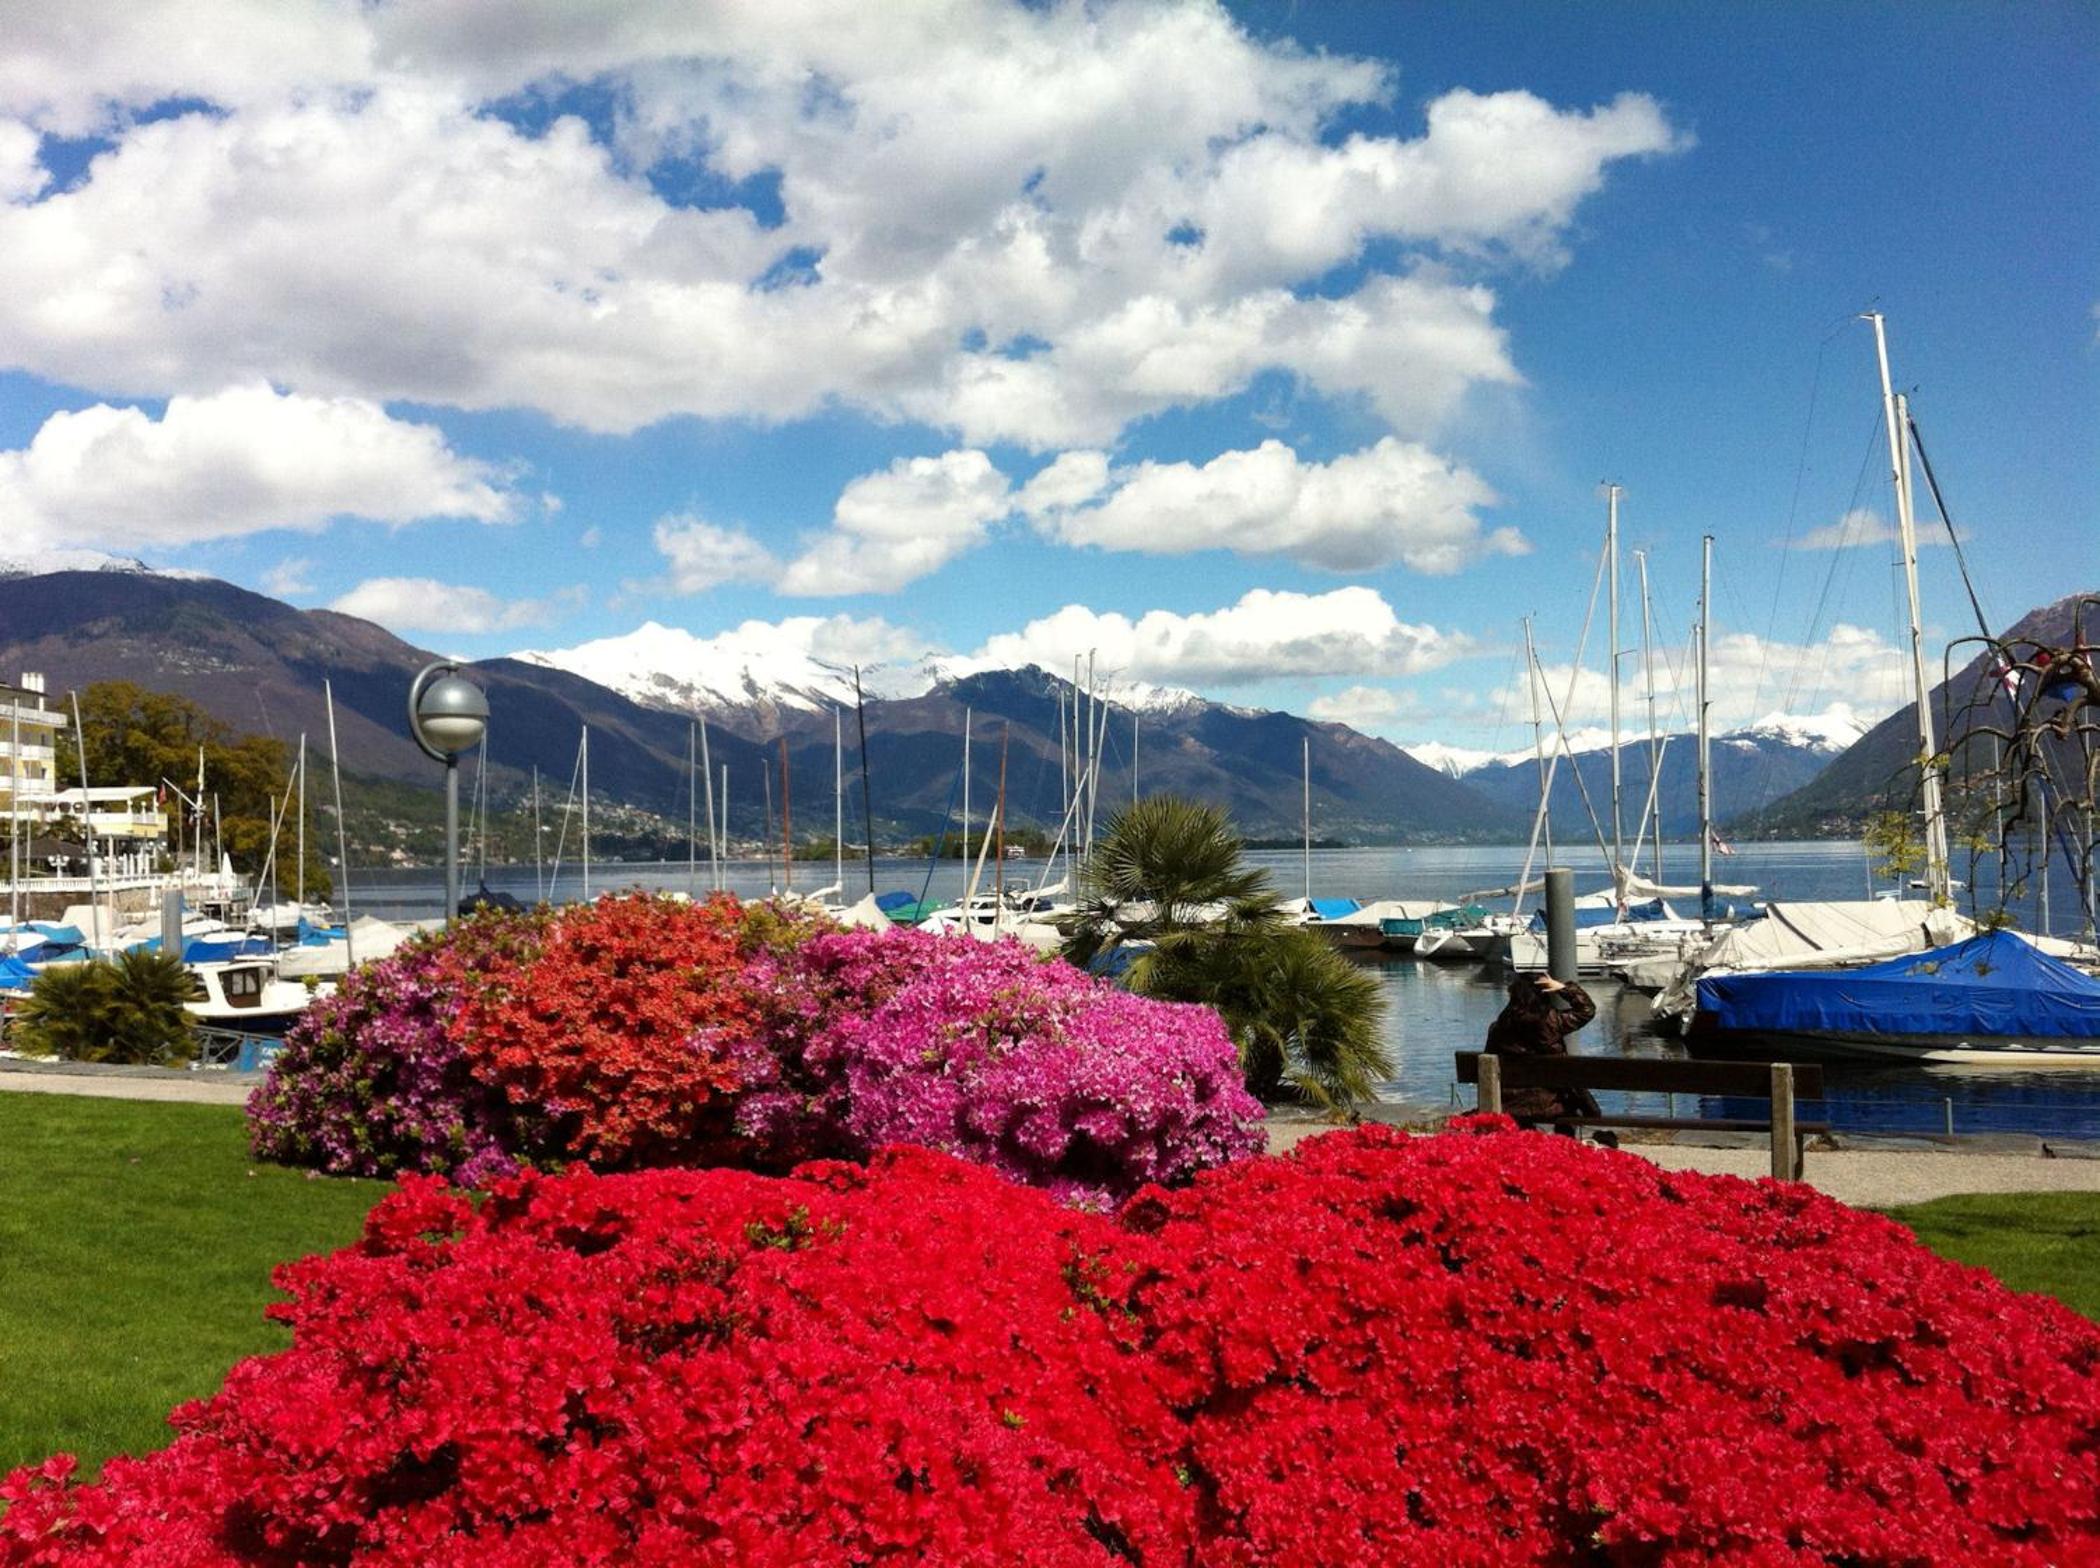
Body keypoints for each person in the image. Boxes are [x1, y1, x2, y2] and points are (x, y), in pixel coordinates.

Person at [1484, 973, 1609, 1140]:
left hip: (1510, 1103)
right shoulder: (1552, 1022)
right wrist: (1563, 988)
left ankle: (1527, 1143)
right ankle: (1564, 1144)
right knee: (1570, 1103)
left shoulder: (1498, 1028)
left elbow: (1488, 1063)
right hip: (1550, 1104)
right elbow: (1587, 1010)